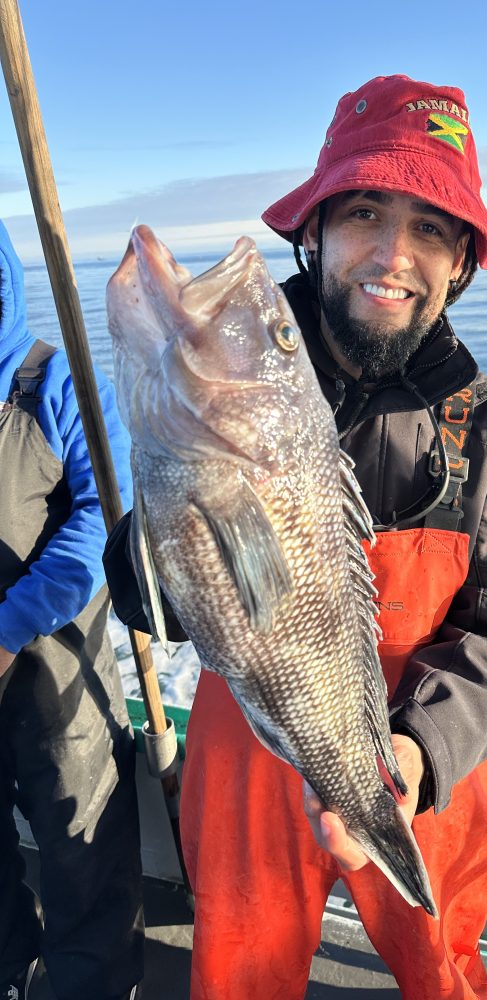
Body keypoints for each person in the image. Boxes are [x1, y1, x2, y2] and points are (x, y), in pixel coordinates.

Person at [105, 74, 487, 1000]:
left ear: (463, 260)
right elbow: (155, 606)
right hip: (252, 742)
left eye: (432, 227)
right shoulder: (237, 385)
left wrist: (418, 753)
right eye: (363, 212)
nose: (394, 254)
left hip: (422, 760)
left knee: (443, 968)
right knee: (236, 968)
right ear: (313, 234)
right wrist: (168, 503)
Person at [0, 221, 144, 1000]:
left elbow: (103, 520)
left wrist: (6, 630)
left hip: (59, 672)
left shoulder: (59, 383)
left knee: (84, 852)